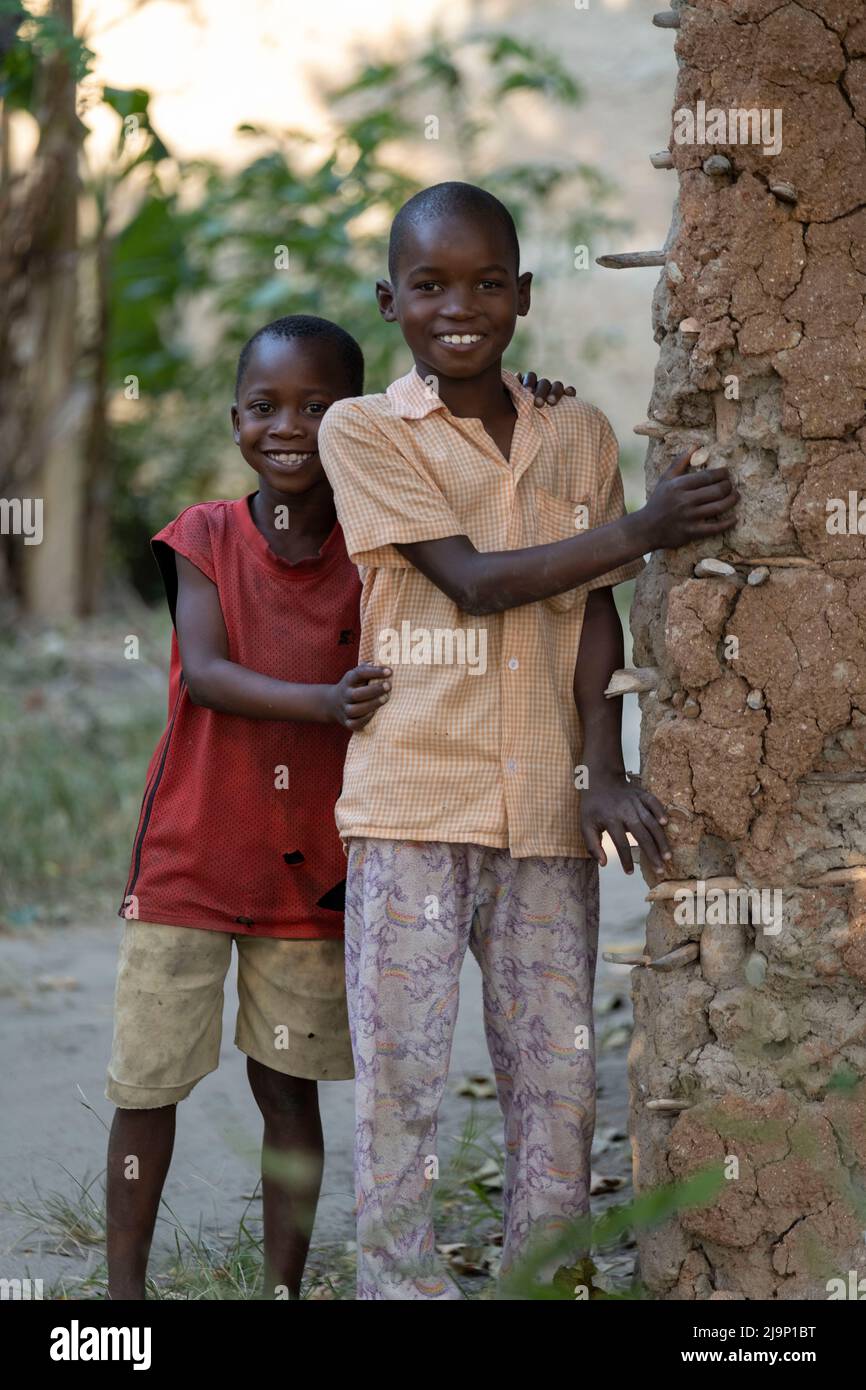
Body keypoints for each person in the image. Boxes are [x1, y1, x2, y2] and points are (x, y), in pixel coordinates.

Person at [317, 182, 740, 1299]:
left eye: (487, 283)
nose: (460, 306)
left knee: (556, 1080)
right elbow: (470, 584)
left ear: (524, 297)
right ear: (389, 301)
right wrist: (643, 526)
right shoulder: (359, 429)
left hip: (547, 808)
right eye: (430, 286)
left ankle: (543, 1281)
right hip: (414, 798)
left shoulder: (577, 430)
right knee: (400, 1078)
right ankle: (400, 1289)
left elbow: (594, 606)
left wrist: (602, 771)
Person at [104, 315, 392, 1300]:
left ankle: (280, 1291)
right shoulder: (204, 536)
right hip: (188, 863)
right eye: (265, 406)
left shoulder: (376, 550)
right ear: (234, 419)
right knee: (147, 1086)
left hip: (308, 870)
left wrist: (523, 396)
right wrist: (323, 702)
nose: (289, 425)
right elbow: (213, 674)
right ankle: (124, 1298)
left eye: (318, 406)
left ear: (355, 418)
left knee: (288, 1091)